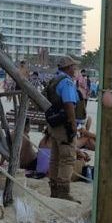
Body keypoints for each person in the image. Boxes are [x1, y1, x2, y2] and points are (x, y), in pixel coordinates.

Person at [43, 56, 80, 201]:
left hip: (54, 124)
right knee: (67, 158)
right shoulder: (67, 82)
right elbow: (69, 104)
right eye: (73, 67)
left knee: (55, 158)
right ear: (68, 67)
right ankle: (63, 192)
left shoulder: (55, 80)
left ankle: (54, 190)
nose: (75, 69)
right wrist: (72, 124)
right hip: (64, 124)